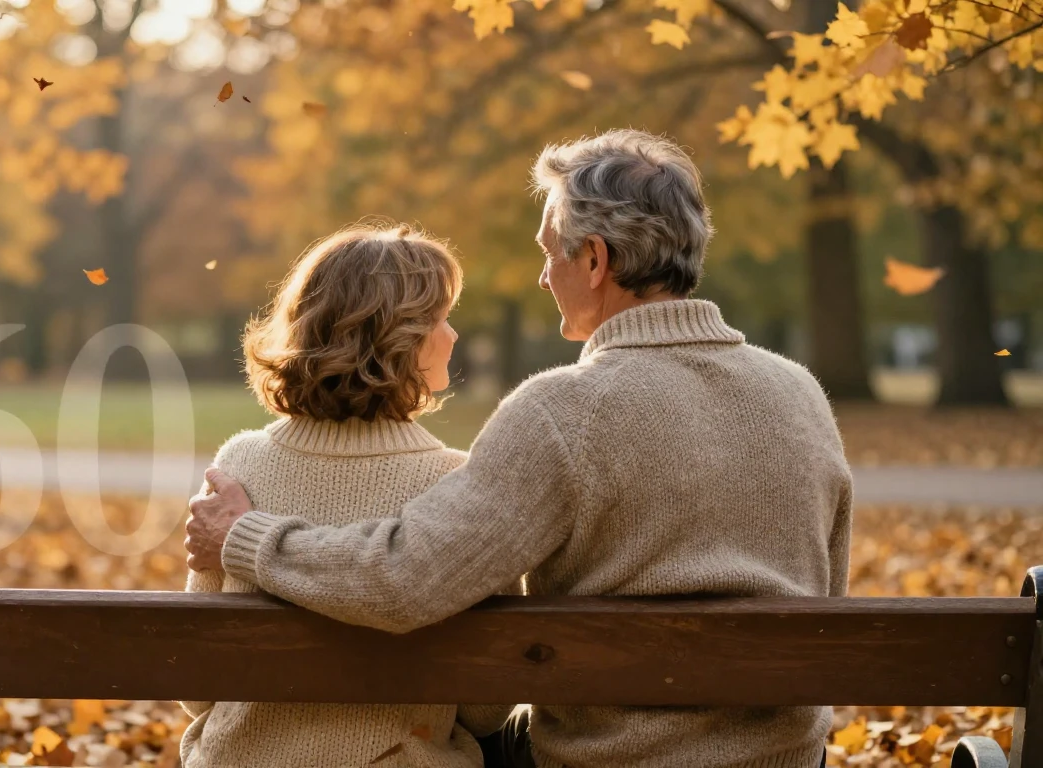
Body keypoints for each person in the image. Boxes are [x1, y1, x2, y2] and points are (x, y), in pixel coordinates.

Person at [184, 129, 852, 768]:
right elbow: (830, 590)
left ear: (594, 260)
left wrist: (247, 538)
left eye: (549, 252)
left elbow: (404, 580)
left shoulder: (560, 411)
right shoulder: (799, 394)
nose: (541, 276)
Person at [177, 221, 518, 768]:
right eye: (439, 319)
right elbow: (483, 708)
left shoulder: (238, 466)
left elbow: (200, 684)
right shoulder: (459, 483)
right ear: (398, 338)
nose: (451, 335)